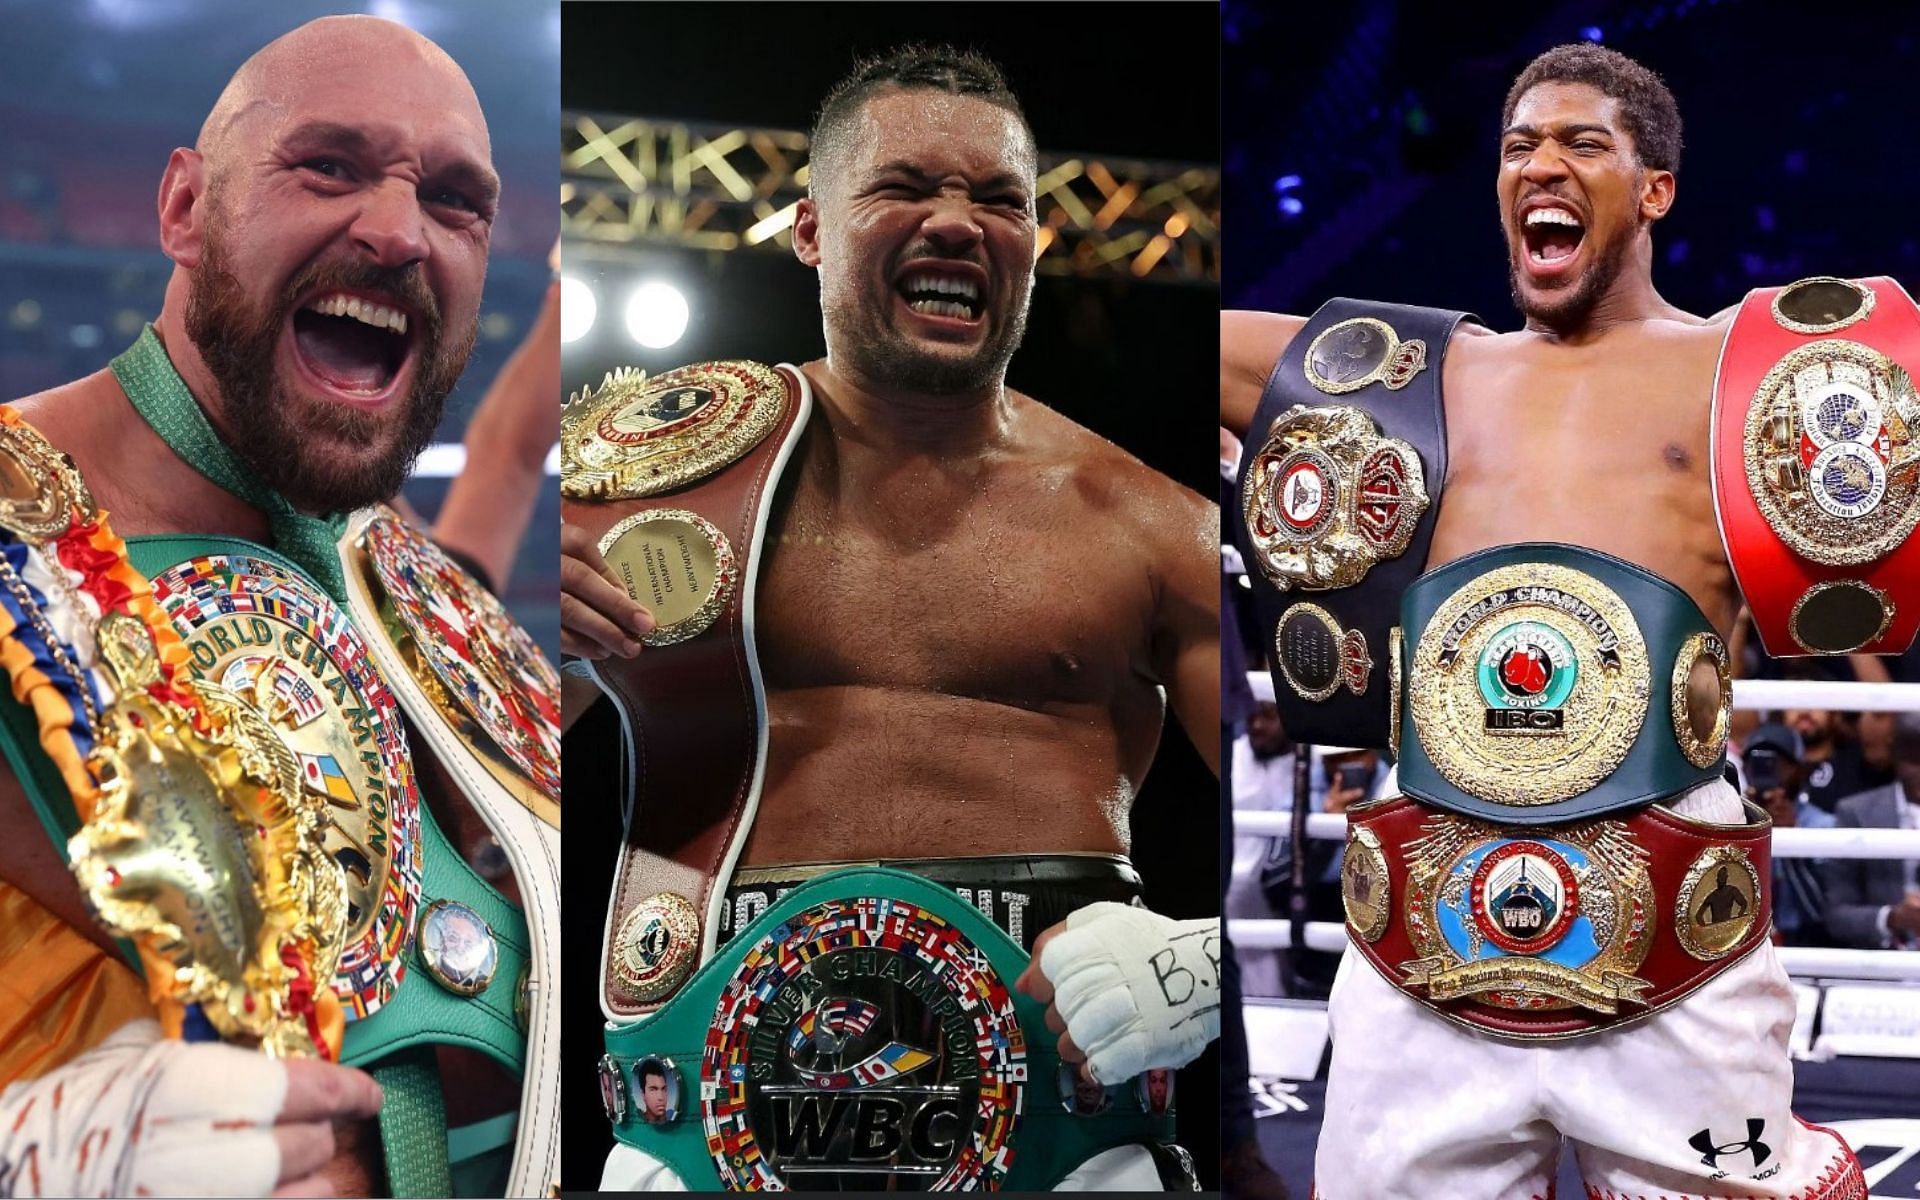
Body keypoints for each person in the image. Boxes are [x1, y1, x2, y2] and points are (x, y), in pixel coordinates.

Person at [563, 45, 1219, 1191]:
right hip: (696, 1128)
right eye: (907, 187)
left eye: (1000, 199)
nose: (959, 223)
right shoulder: (652, 488)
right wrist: (523, 635)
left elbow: (1338, 821)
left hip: (1065, 1146)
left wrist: (1201, 966)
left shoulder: (1153, 527)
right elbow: (479, 781)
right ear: (811, 228)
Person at [1222, 42, 1866, 1199]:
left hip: (1677, 932)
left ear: (1655, 186)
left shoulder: (1740, 374)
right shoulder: (1419, 375)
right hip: (1421, 937)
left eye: (1581, 143)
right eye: (1520, 146)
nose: (1540, 165)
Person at [0, 17, 555, 1198]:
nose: (401, 231)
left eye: (457, 201)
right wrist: (33, 1156)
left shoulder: (424, 605)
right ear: (185, 210)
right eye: (330, 165)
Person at [1821, 712, 1920, 949]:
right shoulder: (1856, 813)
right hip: (1883, 969)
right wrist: (1892, 918)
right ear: (1894, 755)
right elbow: (1836, 914)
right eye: (1914, 761)